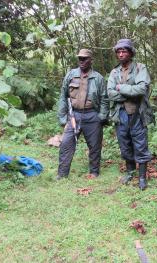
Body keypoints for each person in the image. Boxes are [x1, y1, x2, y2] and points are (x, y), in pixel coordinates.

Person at [107, 39, 154, 190]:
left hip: (138, 114)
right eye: (118, 51)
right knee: (124, 144)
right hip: (120, 114)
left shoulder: (140, 68)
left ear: (130, 52)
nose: (121, 54)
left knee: (140, 144)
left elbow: (141, 90)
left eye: (124, 51)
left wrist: (121, 88)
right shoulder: (114, 72)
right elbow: (110, 93)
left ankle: (142, 177)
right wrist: (129, 92)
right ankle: (130, 172)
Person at [57, 49, 109, 180]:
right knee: (66, 144)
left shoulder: (98, 78)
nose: (81, 61)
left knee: (95, 146)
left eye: (85, 58)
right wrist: (63, 117)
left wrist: (102, 117)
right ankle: (62, 174)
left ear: (91, 60)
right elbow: (63, 96)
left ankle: (94, 172)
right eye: (80, 58)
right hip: (74, 115)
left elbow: (104, 98)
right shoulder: (71, 75)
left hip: (92, 115)